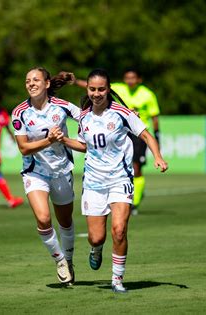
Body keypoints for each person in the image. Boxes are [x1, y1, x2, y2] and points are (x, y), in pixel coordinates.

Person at [61, 69, 168, 293]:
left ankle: (117, 280)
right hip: (93, 182)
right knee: (96, 237)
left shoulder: (121, 112)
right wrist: (63, 140)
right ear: (88, 89)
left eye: (101, 89)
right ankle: (96, 249)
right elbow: (84, 145)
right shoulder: (84, 116)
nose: (97, 93)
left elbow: (146, 135)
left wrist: (157, 156)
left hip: (120, 178)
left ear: (109, 89)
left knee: (119, 230)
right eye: (92, 89)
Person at [11, 67, 80, 285]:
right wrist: (49, 140)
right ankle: (59, 260)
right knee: (43, 218)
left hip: (61, 170)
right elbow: (23, 148)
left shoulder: (63, 107)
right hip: (35, 172)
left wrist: (125, 114)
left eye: (36, 80)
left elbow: (92, 115)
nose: (31, 84)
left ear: (47, 84)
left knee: (65, 221)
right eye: (27, 80)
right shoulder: (19, 112)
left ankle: (69, 260)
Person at [76, 68, 161, 214]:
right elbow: (94, 83)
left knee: (137, 168)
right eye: (127, 77)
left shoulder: (147, 94)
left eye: (133, 78)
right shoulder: (118, 88)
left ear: (138, 79)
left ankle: (135, 200)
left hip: (136, 132)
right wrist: (75, 81)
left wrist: (157, 139)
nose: (130, 81)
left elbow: (154, 116)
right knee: (96, 238)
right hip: (115, 133)